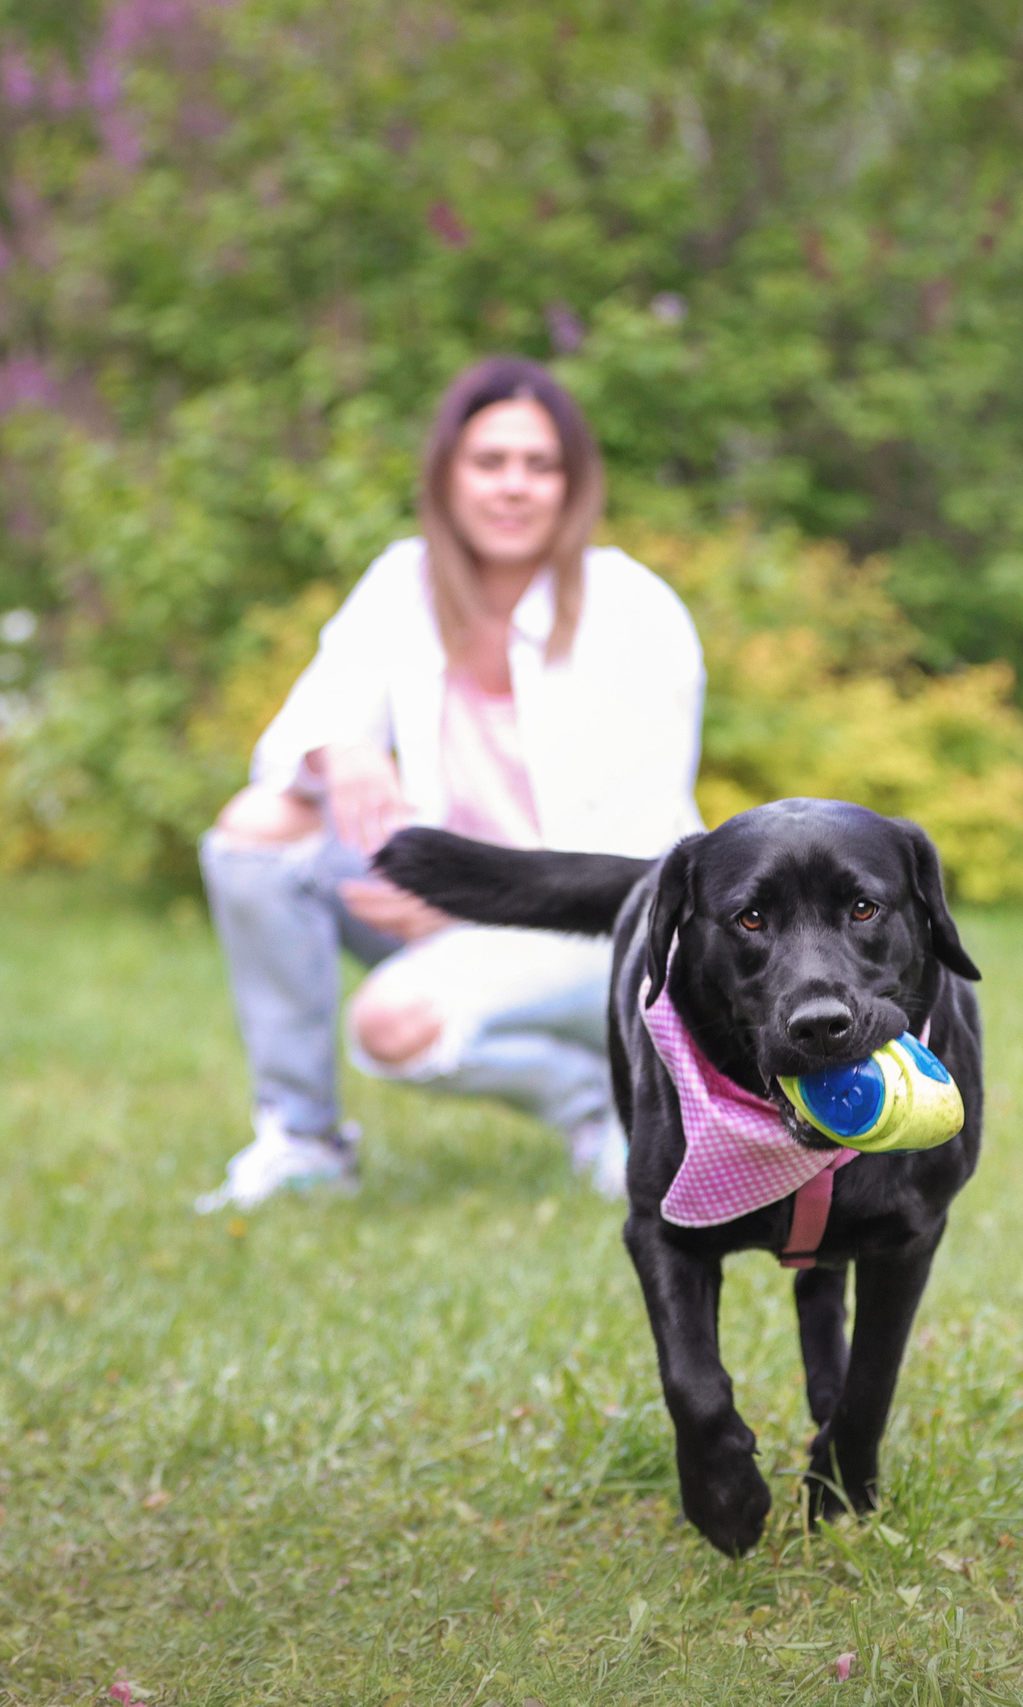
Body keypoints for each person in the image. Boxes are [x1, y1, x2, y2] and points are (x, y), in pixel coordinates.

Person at [192, 357, 704, 1212]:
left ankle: (611, 1099)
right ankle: (303, 1139)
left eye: (540, 466)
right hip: (451, 910)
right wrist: (343, 752)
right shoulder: (404, 581)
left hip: (615, 940)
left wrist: (471, 900)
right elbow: (294, 734)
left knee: (391, 1027)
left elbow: (635, 855)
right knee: (259, 826)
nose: (514, 487)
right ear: (447, 475)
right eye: (489, 462)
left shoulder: (633, 610)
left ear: (572, 486)